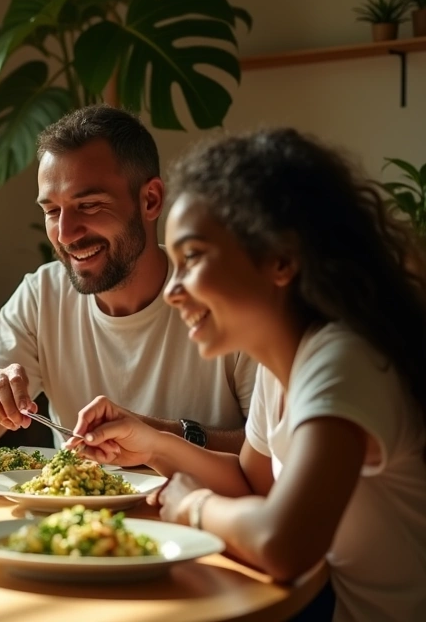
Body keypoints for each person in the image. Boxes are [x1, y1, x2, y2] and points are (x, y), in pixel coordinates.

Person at [68, 129, 426, 621]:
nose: (173, 290)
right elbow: (251, 483)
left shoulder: (343, 361)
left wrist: (194, 507)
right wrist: (153, 445)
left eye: (191, 258)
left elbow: (286, 542)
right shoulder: (284, 369)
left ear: (279, 258)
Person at [0, 105, 254, 451]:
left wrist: (156, 436)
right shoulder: (42, 296)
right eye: (52, 210)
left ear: (150, 200)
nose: (66, 232)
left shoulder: (226, 297)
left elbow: (275, 452)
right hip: (76, 523)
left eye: (88, 205)